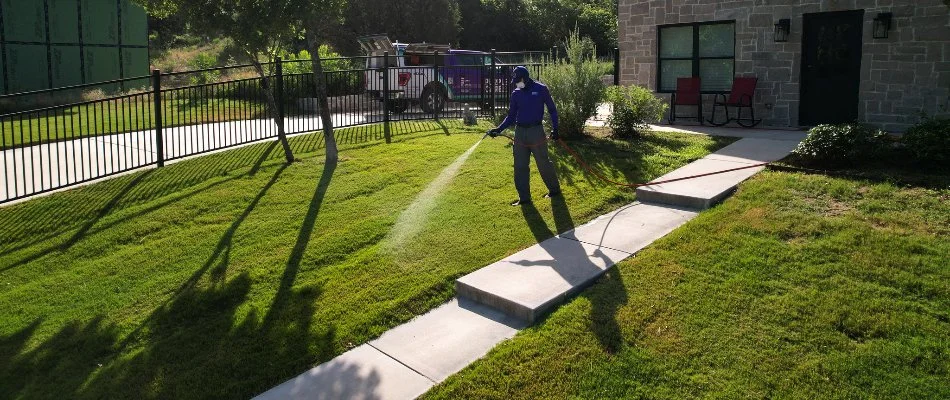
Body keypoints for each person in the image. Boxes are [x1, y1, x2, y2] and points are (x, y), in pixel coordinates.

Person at [488, 66, 562, 206]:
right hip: (520, 132)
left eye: (518, 80)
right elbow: (510, 117)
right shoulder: (516, 93)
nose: (516, 83)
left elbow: (552, 110)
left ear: (525, 78)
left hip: (536, 131)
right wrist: (498, 129)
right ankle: (524, 198)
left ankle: (554, 189)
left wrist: (556, 129)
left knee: (543, 162)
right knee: (520, 166)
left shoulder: (541, 89)